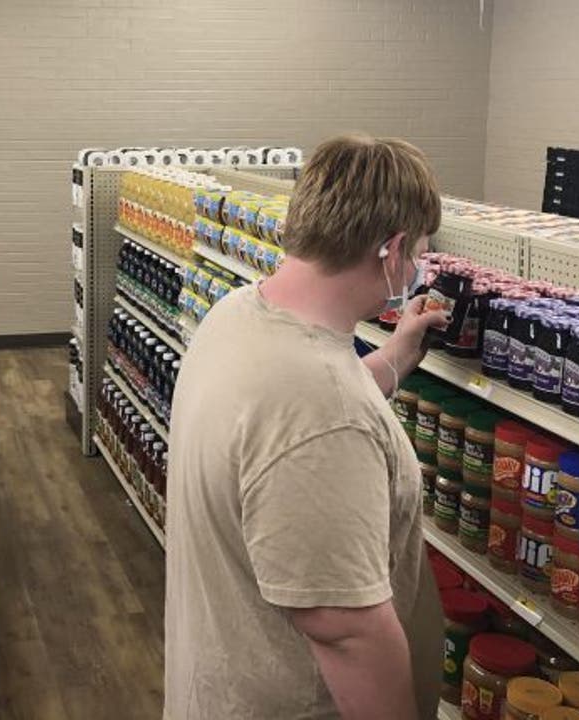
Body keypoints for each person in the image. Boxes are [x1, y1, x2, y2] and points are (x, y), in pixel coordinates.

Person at [164, 134, 449, 719]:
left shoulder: (240, 313)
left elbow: (297, 421)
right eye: (419, 252)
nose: (417, 268)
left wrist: (397, 354)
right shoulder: (320, 410)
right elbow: (346, 632)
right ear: (393, 249)